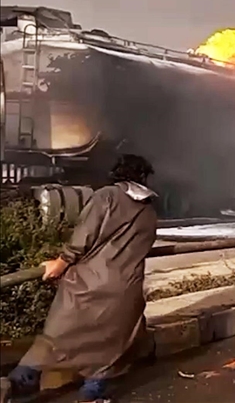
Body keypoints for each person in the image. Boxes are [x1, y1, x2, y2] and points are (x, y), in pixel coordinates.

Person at [1, 154, 158, 403]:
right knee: (110, 348)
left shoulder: (106, 196)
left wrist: (60, 262)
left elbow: (84, 236)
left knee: (54, 340)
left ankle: (17, 386)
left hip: (87, 286)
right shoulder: (149, 211)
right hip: (125, 290)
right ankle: (92, 395)